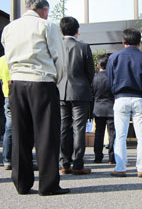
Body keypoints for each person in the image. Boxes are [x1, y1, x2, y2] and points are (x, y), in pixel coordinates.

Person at [1, 0, 69, 196]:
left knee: (20, 133)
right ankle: (48, 185)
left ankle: (21, 183)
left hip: (16, 83)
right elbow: (58, 58)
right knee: (46, 135)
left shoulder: (9, 28)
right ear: (44, 10)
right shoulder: (46, 26)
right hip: (41, 80)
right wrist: (55, 80)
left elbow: (7, 53)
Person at [107, 29, 142, 178]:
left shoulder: (114, 57)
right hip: (140, 98)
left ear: (123, 42)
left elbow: (109, 79)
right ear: (139, 43)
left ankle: (120, 168)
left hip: (121, 98)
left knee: (120, 135)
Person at [58, 17, 94, 175]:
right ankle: (78, 164)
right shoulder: (84, 47)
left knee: (63, 128)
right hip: (80, 92)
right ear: (77, 30)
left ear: (61, 30)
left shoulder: (55, 48)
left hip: (59, 92)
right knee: (78, 128)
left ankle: (64, 164)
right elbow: (90, 73)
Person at [92, 54, 115, 164]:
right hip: (111, 107)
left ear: (98, 65)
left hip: (98, 108)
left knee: (99, 134)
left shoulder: (94, 78)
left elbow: (91, 93)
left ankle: (98, 157)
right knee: (112, 134)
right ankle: (112, 157)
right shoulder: (113, 77)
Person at [0, 55, 12, 170]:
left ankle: (7, 160)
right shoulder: (17, 57)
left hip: (7, 95)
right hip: (20, 94)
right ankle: (22, 159)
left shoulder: (0, 60)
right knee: (25, 127)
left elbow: (1, 78)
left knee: (9, 128)